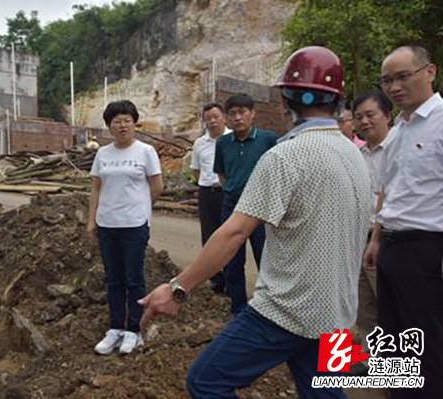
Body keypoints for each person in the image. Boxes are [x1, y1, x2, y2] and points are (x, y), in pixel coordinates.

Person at [139, 46, 371, 398]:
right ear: (337, 103)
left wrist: (177, 288)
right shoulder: (355, 155)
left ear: (283, 102)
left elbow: (233, 232)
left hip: (285, 312)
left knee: (205, 382)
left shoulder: (283, 156)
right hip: (336, 314)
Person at [363, 45, 443, 398]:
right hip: (392, 246)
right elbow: (389, 191)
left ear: (430, 72)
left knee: (426, 341)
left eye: (402, 76)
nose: (394, 86)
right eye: (386, 80)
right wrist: (377, 239)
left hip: (428, 249)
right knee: (391, 335)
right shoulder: (398, 128)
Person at [87, 100, 163, 355]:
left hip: (134, 225)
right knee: (113, 279)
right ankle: (115, 328)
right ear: (109, 126)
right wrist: (92, 220)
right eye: (116, 121)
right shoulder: (103, 154)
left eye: (126, 120)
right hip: (107, 225)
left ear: (134, 122)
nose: (122, 125)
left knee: (134, 279)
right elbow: (96, 188)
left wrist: (141, 208)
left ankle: (134, 331)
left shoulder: (146, 151)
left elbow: (157, 185)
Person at [213, 94, 278, 315]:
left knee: (265, 257)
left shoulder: (268, 139)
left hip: (262, 209)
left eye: (243, 112)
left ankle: (268, 307)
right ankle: (238, 307)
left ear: (253, 114)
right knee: (232, 258)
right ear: (227, 118)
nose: (238, 117)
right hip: (232, 205)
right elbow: (222, 174)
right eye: (232, 113)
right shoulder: (222, 143)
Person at [349, 90, 393, 375]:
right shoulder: (354, 154)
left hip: (388, 239)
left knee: (390, 306)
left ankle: (395, 373)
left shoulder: (398, 149)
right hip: (355, 238)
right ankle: (366, 361)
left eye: (370, 115)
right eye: (358, 117)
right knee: (360, 304)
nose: (364, 121)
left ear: (387, 115)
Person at [190, 102, 229, 293]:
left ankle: (232, 277)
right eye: (208, 118)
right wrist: (206, 183)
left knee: (230, 235)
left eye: (216, 117)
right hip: (207, 194)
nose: (212, 121)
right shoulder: (200, 143)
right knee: (209, 236)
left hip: (228, 193)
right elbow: (195, 170)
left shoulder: (233, 138)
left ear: (224, 117)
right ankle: (215, 278)